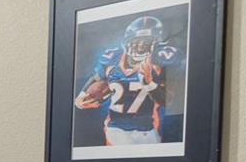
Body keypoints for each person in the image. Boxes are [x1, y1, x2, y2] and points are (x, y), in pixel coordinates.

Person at [73, 15, 181, 146]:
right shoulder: (112, 58)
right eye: (136, 41)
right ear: (127, 41)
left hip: (149, 129)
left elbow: (166, 100)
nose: (140, 45)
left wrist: (149, 83)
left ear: (157, 43)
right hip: (116, 129)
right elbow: (97, 79)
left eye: (146, 41)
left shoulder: (160, 62)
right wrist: (81, 97)